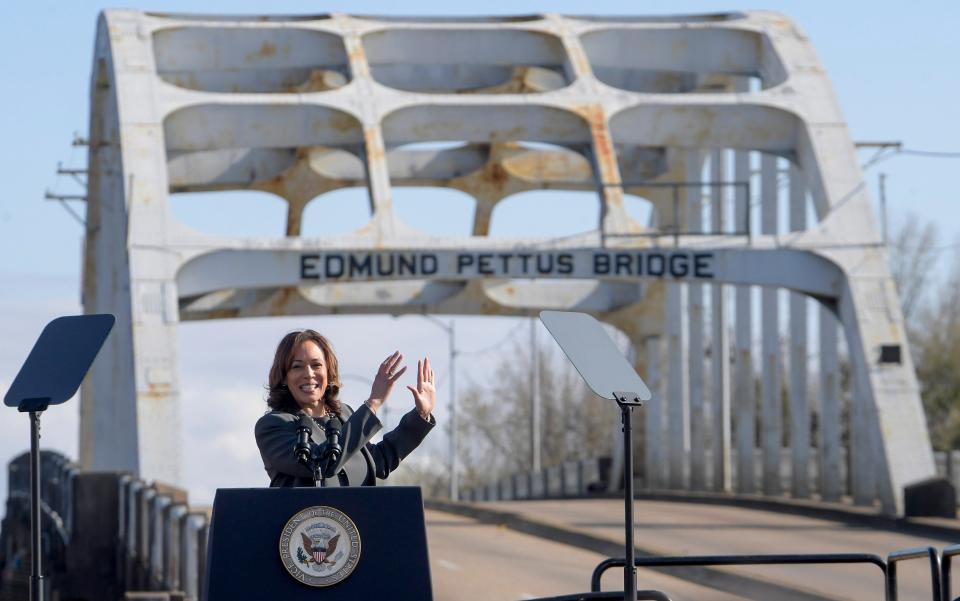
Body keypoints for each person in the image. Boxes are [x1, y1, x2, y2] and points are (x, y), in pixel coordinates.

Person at [254, 329, 436, 487]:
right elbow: (321, 464)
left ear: (328, 371)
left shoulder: (344, 415)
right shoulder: (272, 425)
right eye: (297, 366)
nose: (309, 374)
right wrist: (373, 403)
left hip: (357, 525)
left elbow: (379, 461)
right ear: (284, 377)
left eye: (316, 365)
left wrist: (421, 415)